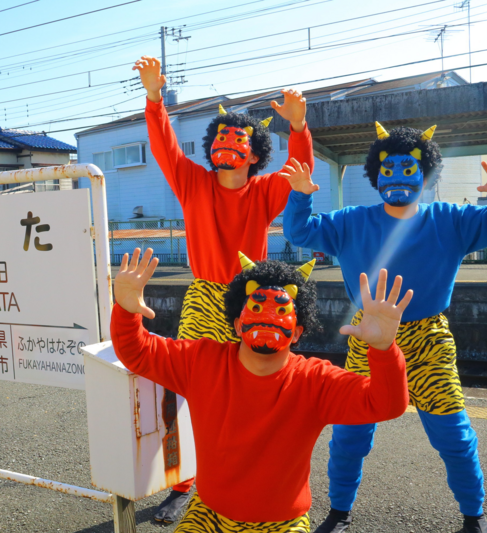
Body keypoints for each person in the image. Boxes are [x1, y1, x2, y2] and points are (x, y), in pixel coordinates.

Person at [280, 122, 487, 533]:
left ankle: (474, 516)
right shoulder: (351, 222)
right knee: (350, 434)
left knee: (453, 435)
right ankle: (339, 512)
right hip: (367, 336)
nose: (397, 177)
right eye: (388, 169)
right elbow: (299, 231)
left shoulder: (450, 219)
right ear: (376, 175)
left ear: (425, 173)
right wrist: (301, 195)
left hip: (428, 338)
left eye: (408, 168)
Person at [111, 247, 413, 533]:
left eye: (281, 310)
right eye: (256, 307)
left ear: (297, 332)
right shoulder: (201, 361)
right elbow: (138, 352)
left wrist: (384, 349)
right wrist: (125, 309)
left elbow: (385, 403)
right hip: (209, 512)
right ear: (238, 324)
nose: (268, 317)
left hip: (283, 522)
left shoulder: (314, 379)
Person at [133, 55, 315, 521]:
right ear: (211, 147)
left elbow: (299, 173)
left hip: (251, 302)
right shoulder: (192, 181)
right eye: (221, 138)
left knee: (251, 393)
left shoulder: (265, 190)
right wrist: (154, 98)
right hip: (203, 295)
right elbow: (164, 148)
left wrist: (299, 126)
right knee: (186, 389)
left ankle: (240, 480)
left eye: (238, 140)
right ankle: (184, 484)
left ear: (254, 153)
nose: (226, 145)